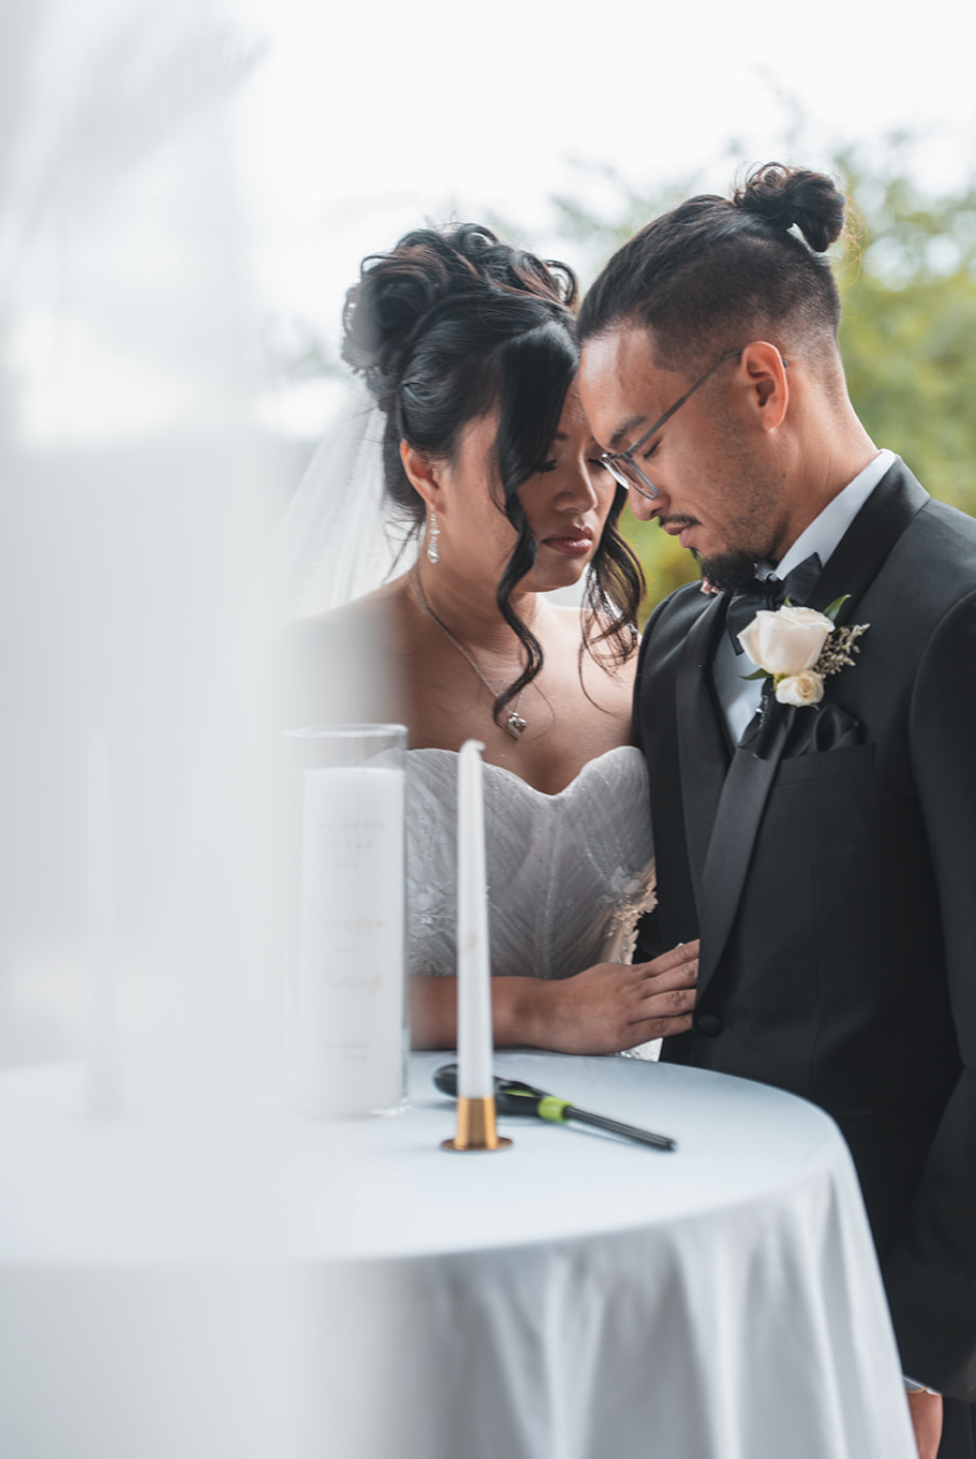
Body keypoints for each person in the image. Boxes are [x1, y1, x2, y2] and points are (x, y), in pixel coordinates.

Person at [576, 164, 976, 1459]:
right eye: (610, 460)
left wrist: (920, 1344)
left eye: (641, 444)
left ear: (764, 382)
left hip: (916, 1341)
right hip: (726, 1293)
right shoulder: (685, 636)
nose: (629, 495)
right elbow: (704, 971)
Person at [282, 222, 698, 1054]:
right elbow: (255, 979)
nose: (583, 499)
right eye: (540, 459)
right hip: (392, 1121)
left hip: (621, 1121)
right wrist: (535, 1011)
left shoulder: (630, 659)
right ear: (425, 468)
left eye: (601, 458)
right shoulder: (315, 670)